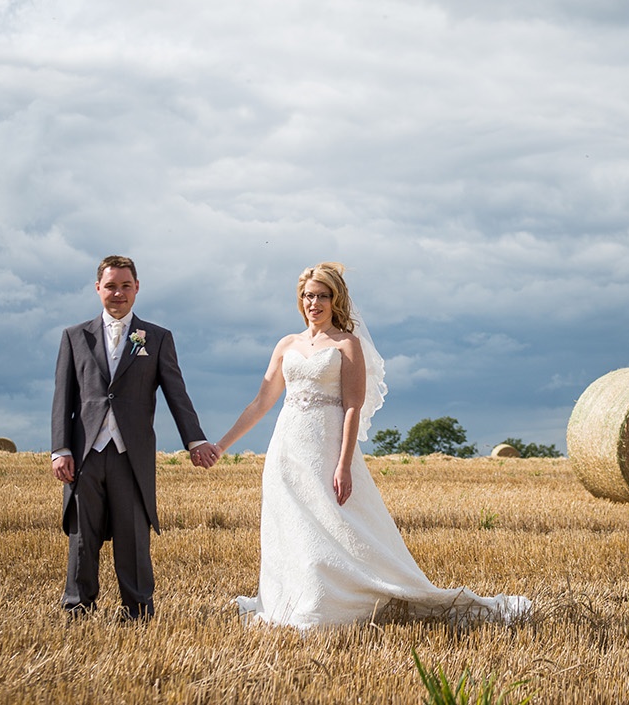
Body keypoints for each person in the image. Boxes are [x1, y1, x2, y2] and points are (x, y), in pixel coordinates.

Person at [214, 262, 531, 630]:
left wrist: (343, 464)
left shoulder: (347, 344)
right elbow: (260, 403)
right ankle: (290, 598)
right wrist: (221, 446)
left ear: (336, 300)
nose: (313, 302)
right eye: (307, 295)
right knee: (291, 527)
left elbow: (352, 406)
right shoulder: (287, 345)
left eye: (321, 296)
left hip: (326, 448)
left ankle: (327, 602)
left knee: (337, 525)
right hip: (286, 449)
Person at [51, 255, 220, 619]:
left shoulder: (157, 338)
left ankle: (138, 610)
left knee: (133, 536)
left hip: (132, 455)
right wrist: (60, 449)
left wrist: (195, 441)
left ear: (137, 288)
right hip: (85, 455)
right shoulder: (74, 337)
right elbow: (62, 396)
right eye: (110, 286)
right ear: (98, 288)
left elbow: (177, 393)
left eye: (125, 285)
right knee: (83, 537)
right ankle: (77, 608)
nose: (118, 293)